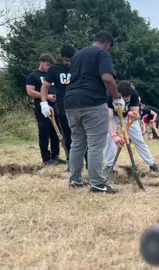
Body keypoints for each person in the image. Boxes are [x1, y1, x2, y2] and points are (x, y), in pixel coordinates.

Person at [42, 30, 124, 194]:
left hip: (70, 102)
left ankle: (75, 179)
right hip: (92, 101)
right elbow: (107, 78)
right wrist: (116, 98)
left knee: (77, 142)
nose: (109, 51)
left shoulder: (77, 55)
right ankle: (97, 183)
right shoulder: (102, 53)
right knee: (95, 143)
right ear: (107, 43)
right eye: (110, 48)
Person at [39, 44, 88, 170]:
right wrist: (44, 103)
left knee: (85, 135)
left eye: (71, 60)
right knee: (68, 136)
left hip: (81, 106)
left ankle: (89, 163)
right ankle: (72, 163)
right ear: (62, 58)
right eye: (66, 60)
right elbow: (45, 86)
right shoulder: (54, 69)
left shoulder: (80, 67)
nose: (69, 63)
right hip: (63, 108)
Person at [103, 80, 159, 175]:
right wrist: (114, 135)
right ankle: (109, 166)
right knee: (109, 137)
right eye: (124, 96)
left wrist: (134, 115)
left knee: (139, 139)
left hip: (128, 117)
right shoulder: (110, 94)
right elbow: (109, 117)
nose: (126, 98)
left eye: (128, 96)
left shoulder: (134, 93)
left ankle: (152, 164)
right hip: (114, 117)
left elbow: (137, 115)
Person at [26, 53, 62, 166]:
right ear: (41, 62)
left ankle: (55, 156)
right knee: (44, 133)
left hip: (55, 107)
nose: (48, 68)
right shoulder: (33, 76)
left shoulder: (51, 75)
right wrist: (46, 97)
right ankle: (46, 158)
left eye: (50, 66)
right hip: (42, 108)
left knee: (56, 132)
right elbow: (30, 91)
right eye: (47, 65)